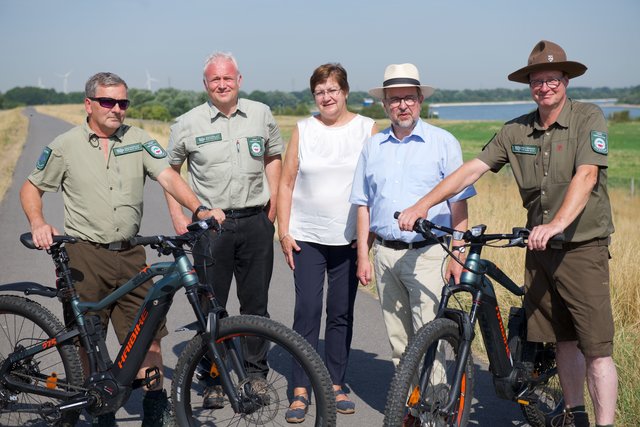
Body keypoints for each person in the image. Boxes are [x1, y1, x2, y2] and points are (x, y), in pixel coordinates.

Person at [398, 40, 618, 427]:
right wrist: (422, 204)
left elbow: (586, 175)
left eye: (552, 78)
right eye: (537, 80)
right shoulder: (516, 129)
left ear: (566, 80)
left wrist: (556, 225)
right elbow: (472, 170)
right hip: (540, 250)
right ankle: (574, 414)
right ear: (529, 85)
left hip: (581, 248)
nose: (545, 86)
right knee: (562, 339)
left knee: (596, 348)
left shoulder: (588, 118)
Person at [19, 72, 222, 426]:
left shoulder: (138, 140)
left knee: (148, 338)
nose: (117, 109)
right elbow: (31, 188)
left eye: (123, 102)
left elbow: (168, 176)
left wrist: (199, 208)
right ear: (89, 104)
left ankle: (155, 407)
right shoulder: (66, 145)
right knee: (86, 342)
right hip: (85, 255)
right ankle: (97, 406)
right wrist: (38, 222)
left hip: (131, 255)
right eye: (108, 102)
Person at [164, 51, 283, 409]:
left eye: (227, 78)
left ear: (239, 80)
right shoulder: (187, 122)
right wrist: (178, 218)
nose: (222, 84)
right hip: (209, 229)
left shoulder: (261, 114)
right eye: (214, 79)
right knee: (211, 307)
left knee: (256, 305)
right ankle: (214, 377)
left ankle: (255, 375)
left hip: (255, 222)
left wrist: (273, 202)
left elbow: (274, 156)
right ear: (205, 84)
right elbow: (168, 172)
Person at [350, 63, 475, 372]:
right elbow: (363, 204)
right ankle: (408, 407)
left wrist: (458, 254)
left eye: (408, 98)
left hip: (429, 253)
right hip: (384, 256)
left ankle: (433, 413)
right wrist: (363, 257)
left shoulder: (443, 142)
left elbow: (459, 203)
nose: (402, 105)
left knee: (428, 337)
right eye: (394, 99)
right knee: (398, 341)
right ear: (385, 104)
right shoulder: (372, 147)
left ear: (420, 100)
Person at [277, 63, 378, 422]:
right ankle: (301, 389)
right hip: (306, 237)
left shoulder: (367, 128)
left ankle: (335, 384)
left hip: (349, 238)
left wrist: (370, 235)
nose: (327, 97)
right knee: (306, 311)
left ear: (345, 92)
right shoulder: (303, 129)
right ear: (314, 96)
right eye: (320, 91)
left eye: (333, 89)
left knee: (341, 312)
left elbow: (374, 185)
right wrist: (283, 231)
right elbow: (286, 183)